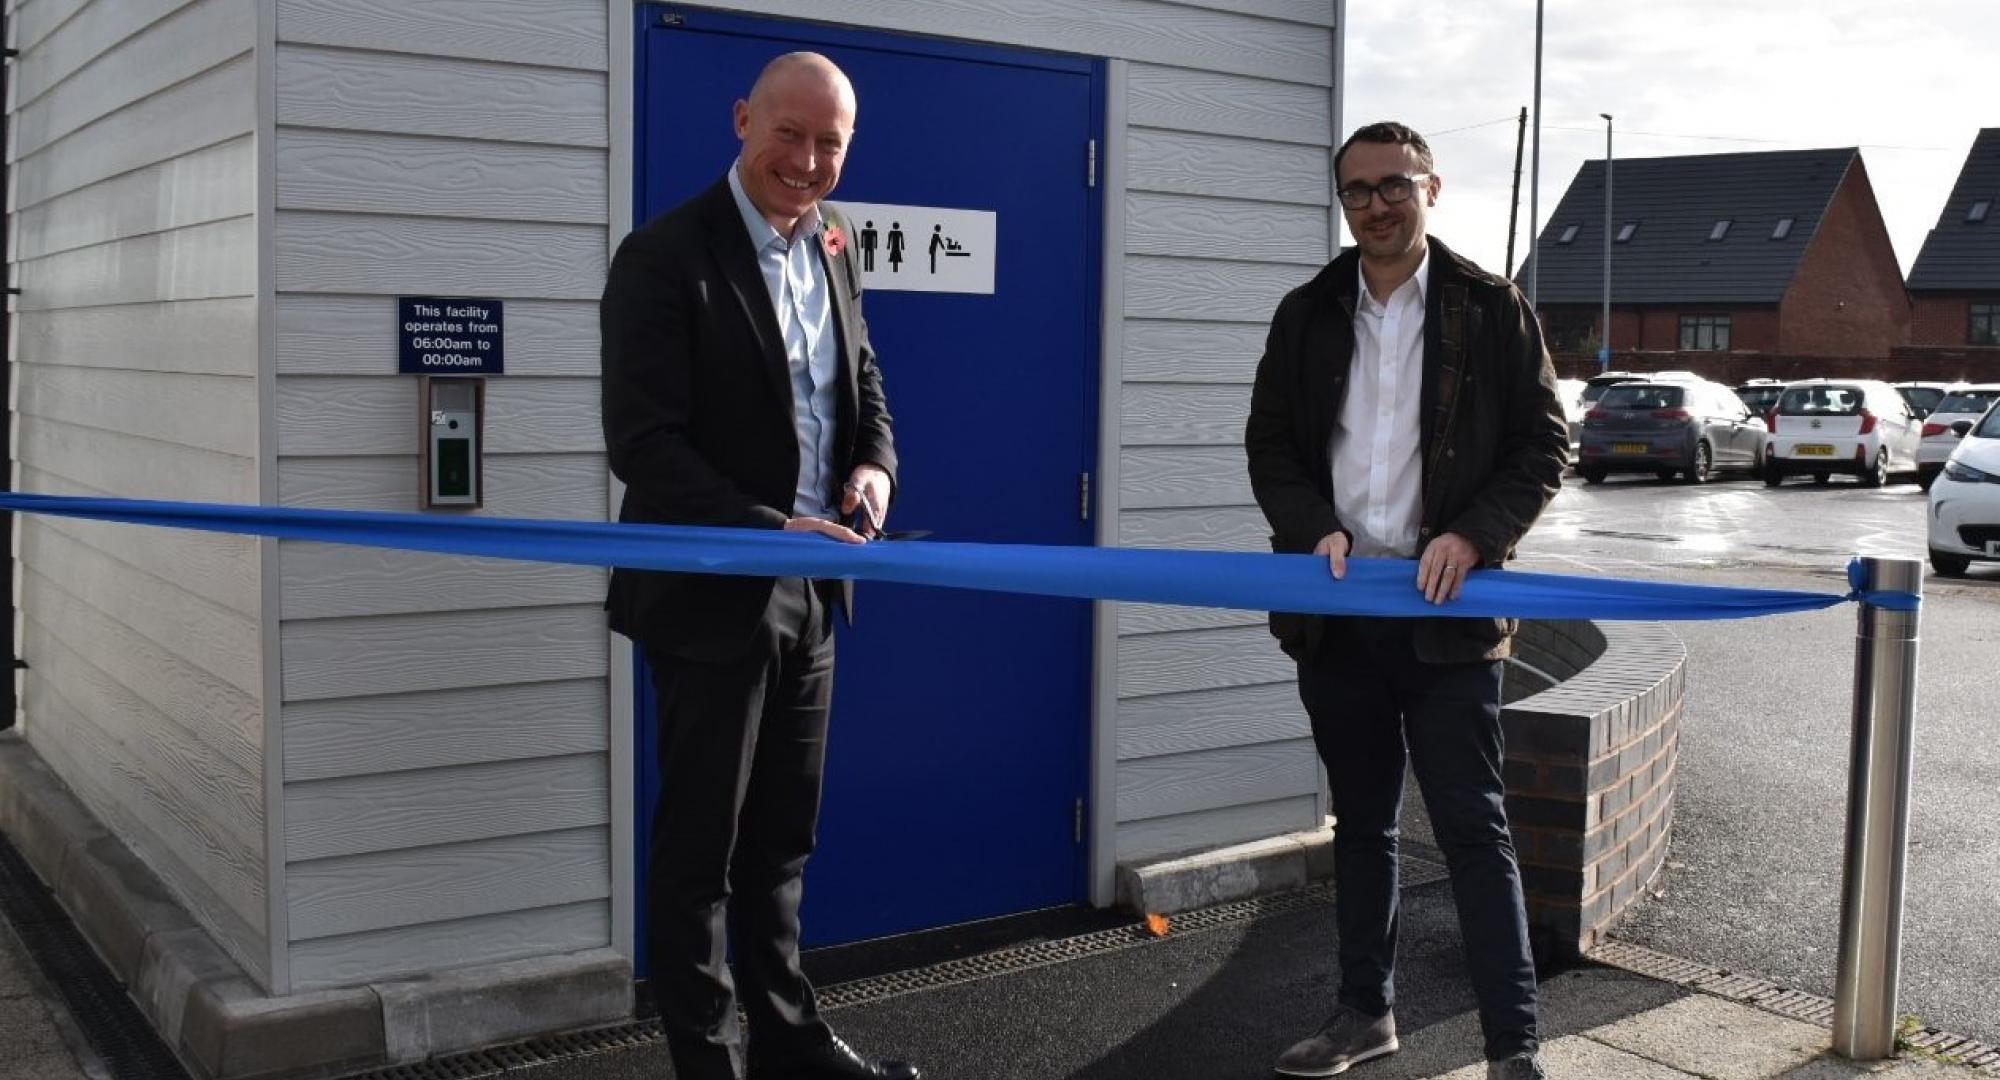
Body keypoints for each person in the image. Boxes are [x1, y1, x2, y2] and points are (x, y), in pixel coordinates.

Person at [600, 52, 918, 1080]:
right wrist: (766, 523)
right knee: (699, 851)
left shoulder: (833, 242)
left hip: (817, 589)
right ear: (742, 120)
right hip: (709, 591)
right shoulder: (662, 256)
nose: (808, 159)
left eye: (830, 142)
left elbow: (863, 381)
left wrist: (872, 467)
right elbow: (642, 444)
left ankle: (787, 1039)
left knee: (782, 840)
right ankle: (708, 1060)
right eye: (789, 132)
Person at [1245, 121, 1569, 1080]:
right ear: (1341, 202)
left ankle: (1514, 1049)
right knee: (1364, 826)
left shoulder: (1490, 306)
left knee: (1475, 832)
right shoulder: (1306, 311)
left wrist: (1475, 536)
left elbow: (1542, 446)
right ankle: (1363, 1016)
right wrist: (1313, 529)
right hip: (1340, 612)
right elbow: (1271, 447)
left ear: (1432, 187)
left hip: (1450, 620)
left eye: (1394, 185)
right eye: (1358, 191)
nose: (1376, 205)